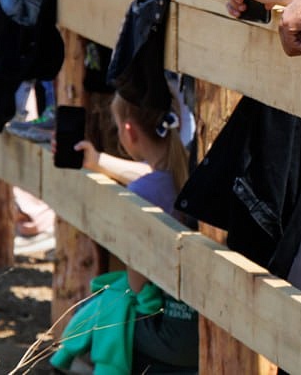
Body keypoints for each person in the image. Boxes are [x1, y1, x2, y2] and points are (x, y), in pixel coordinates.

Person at [54, 90, 198, 374]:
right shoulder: (186, 177)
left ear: (129, 131)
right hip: (199, 325)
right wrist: (97, 161)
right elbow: (153, 176)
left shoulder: (140, 196)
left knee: (99, 320)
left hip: (167, 331)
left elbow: (137, 284)